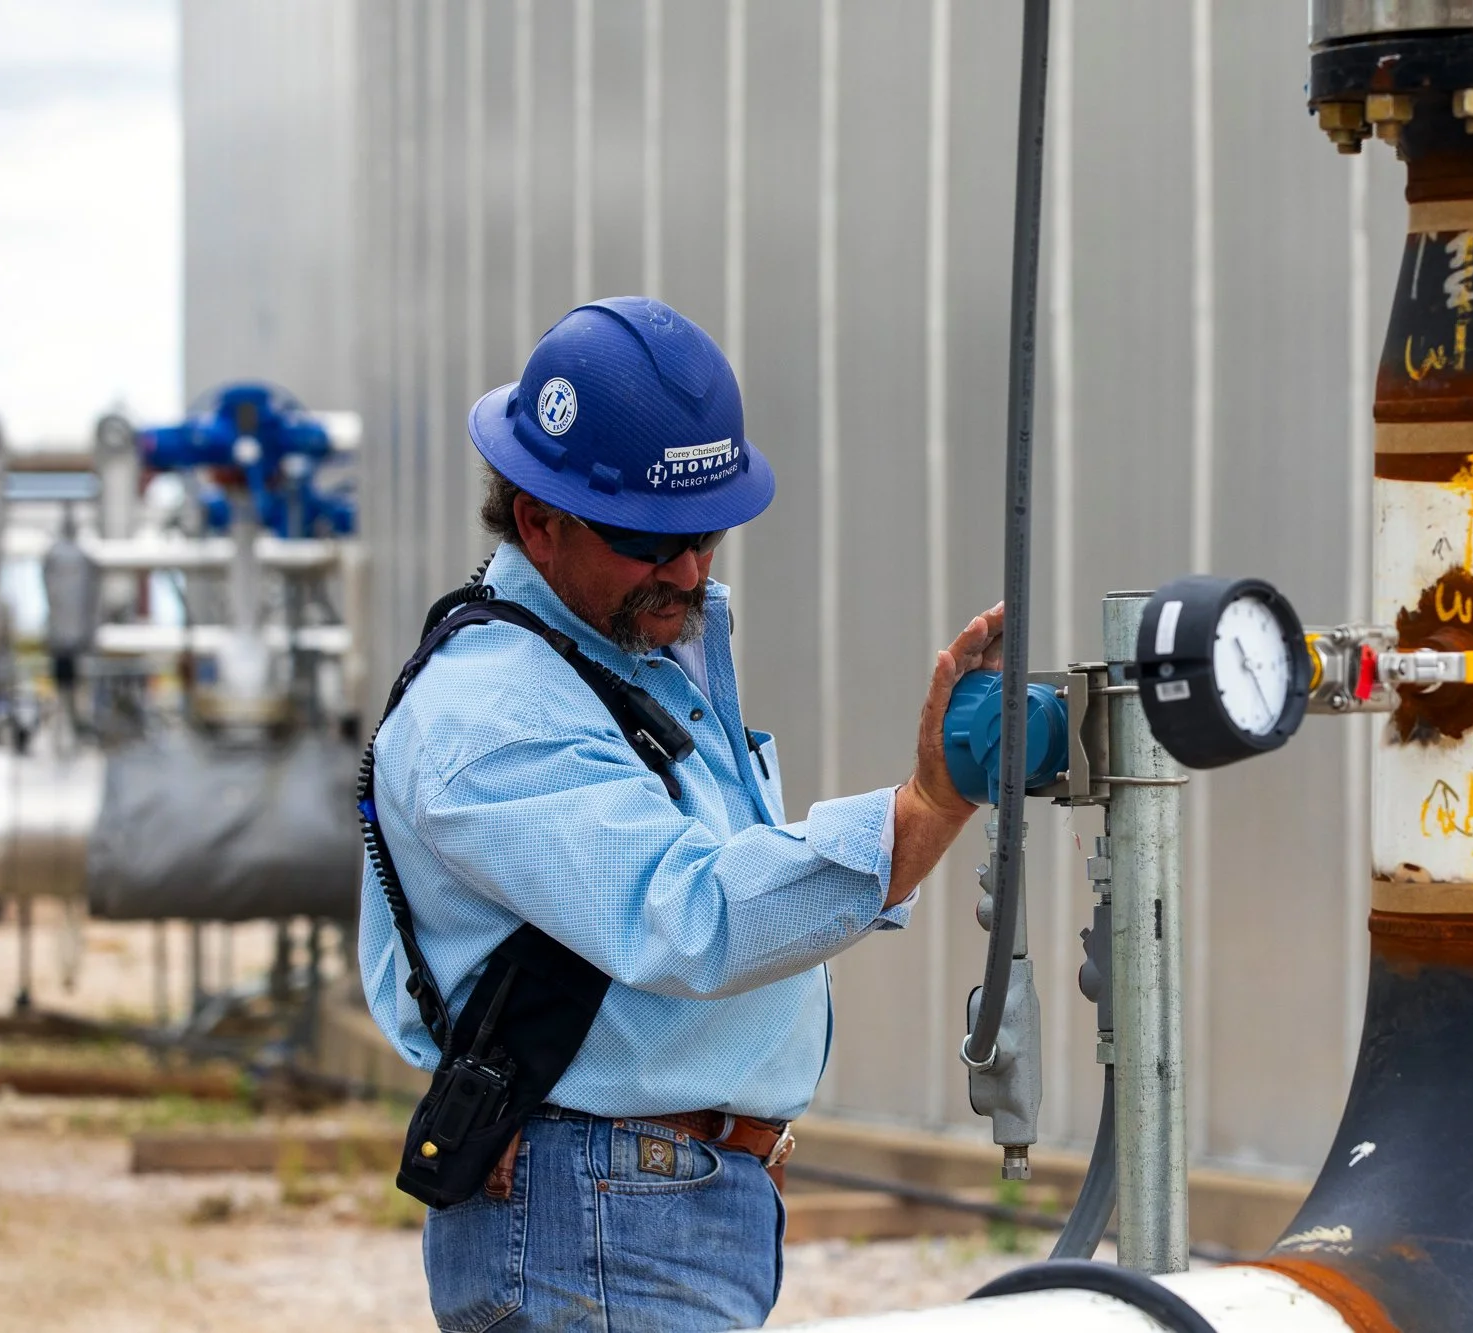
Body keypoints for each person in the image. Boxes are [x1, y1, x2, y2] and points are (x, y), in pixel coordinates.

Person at [358, 297, 1001, 1331]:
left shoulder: (610, 662)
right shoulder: (497, 714)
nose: (691, 570)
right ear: (537, 519)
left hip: (636, 1211)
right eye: (652, 541)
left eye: (704, 533)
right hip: (599, 1221)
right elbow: (693, 912)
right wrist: (922, 808)